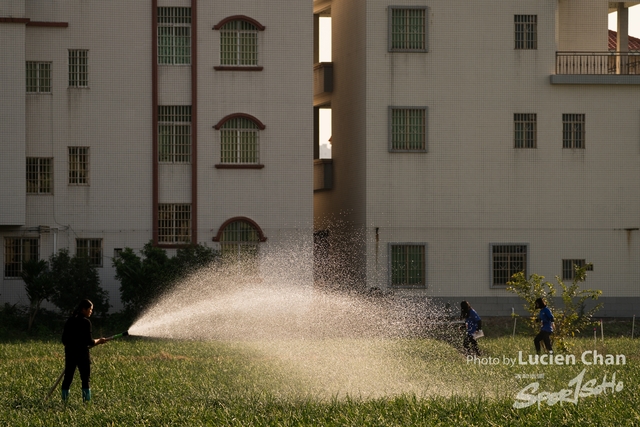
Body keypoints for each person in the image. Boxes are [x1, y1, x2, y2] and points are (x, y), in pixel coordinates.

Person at [61, 299, 107, 403]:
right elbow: (89, 342)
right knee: (85, 379)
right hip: (82, 354)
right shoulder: (86, 322)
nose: (91, 311)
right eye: (90, 309)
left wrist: (71, 347)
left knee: (68, 378)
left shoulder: (70, 320)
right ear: (83, 309)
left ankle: (64, 402)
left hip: (70, 353)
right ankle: (86, 403)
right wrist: (99, 341)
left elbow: (64, 340)